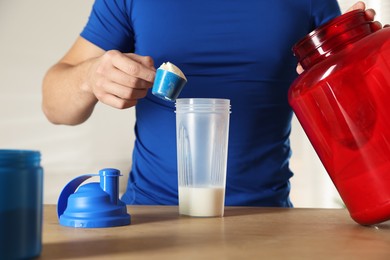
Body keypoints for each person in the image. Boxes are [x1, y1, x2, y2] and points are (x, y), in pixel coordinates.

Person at [42, 1, 383, 206]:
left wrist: (365, 64)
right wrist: (90, 76)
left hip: (265, 223)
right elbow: (54, 106)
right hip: (152, 218)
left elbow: (356, 130)